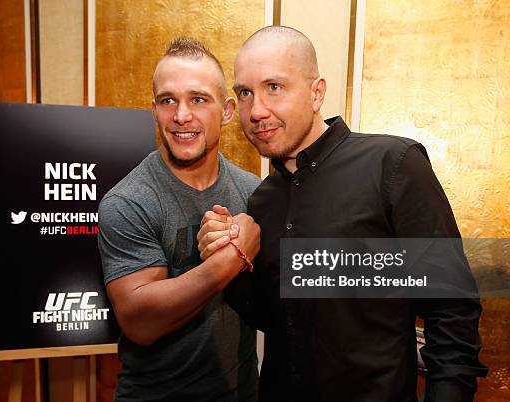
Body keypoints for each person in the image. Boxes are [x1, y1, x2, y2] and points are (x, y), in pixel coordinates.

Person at [197, 26, 487, 402]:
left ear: (317, 93)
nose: (257, 111)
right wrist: (228, 258)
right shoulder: (263, 200)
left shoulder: (393, 165)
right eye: (246, 93)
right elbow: (274, 320)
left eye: (274, 87)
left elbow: (452, 310)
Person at [97, 38, 261, 402]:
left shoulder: (255, 192)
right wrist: (232, 256)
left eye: (198, 99)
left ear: (228, 110)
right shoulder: (128, 201)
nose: (181, 115)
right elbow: (140, 323)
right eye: (167, 100)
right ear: (154, 110)